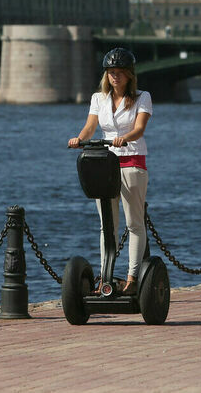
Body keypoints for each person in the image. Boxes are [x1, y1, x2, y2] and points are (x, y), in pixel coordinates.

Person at [68, 47, 152, 295]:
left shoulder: (142, 97)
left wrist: (124, 138)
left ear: (129, 75)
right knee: (107, 226)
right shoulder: (98, 99)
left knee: (134, 224)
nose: (114, 76)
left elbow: (139, 129)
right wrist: (78, 139)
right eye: (111, 72)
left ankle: (132, 279)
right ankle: (106, 279)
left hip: (132, 163)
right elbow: (90, 127)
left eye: (119, 73)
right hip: (104, 165)